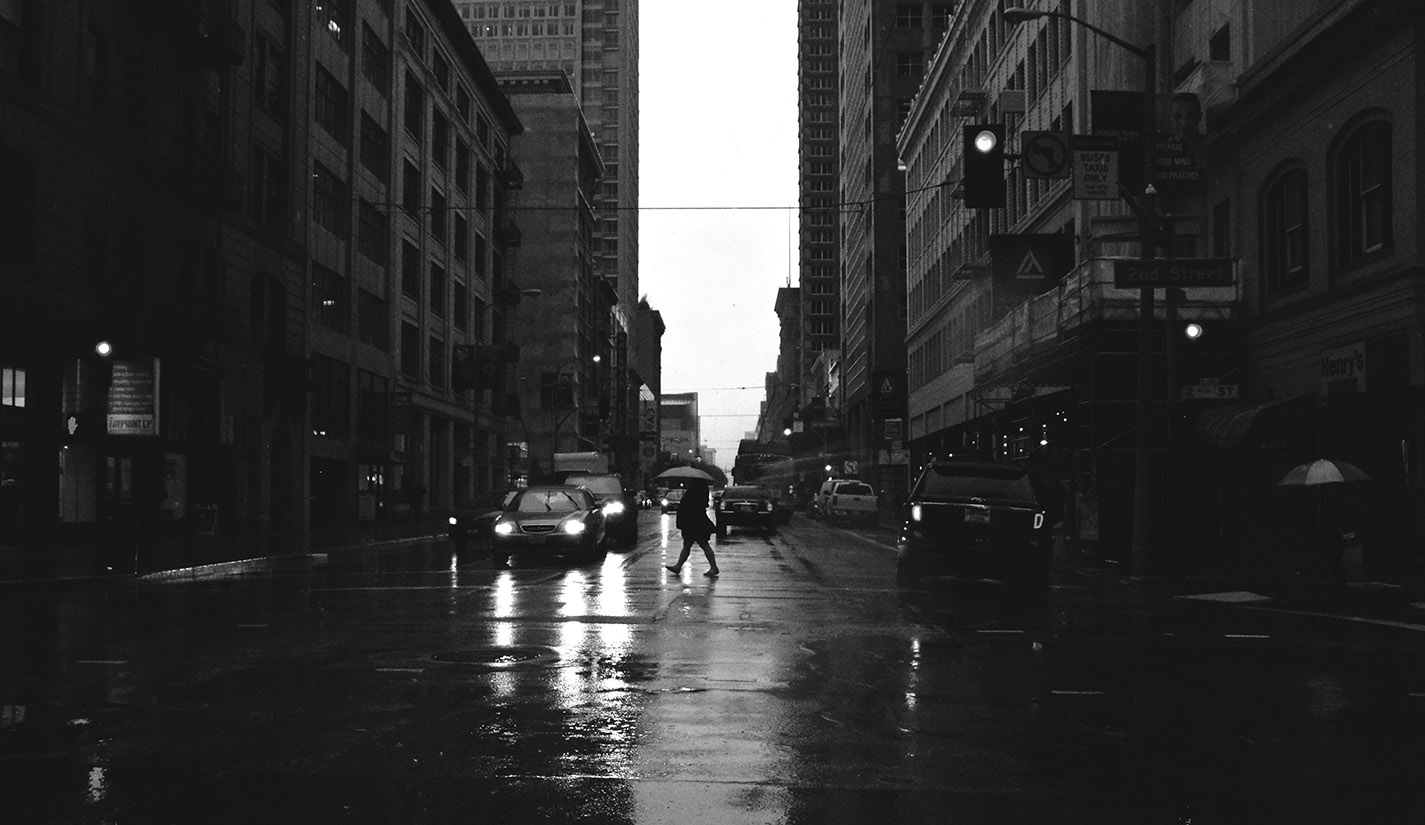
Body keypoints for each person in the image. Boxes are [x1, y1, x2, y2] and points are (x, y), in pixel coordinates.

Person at [666, 480, 719, 577]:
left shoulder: (696, 490)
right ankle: (678, 566)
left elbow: (690, 505)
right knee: (690, 545)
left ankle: (714, 567)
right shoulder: (700, 489)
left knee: (701, 544)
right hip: (695, 521)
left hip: (694, 521)